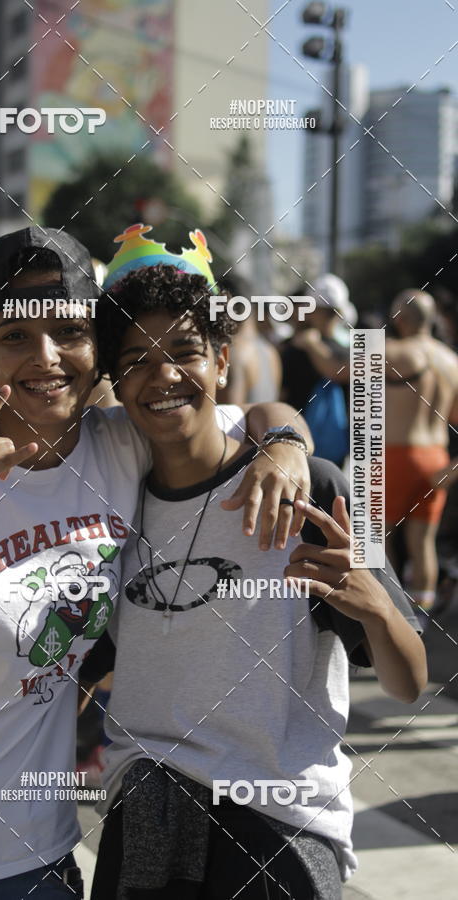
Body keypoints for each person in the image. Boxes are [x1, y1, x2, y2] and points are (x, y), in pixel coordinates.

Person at [0, 225, 314, 899]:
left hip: (40, 860)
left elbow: (250, 416)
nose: (46, 356)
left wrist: (285, 444)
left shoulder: (121, 446)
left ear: (97, 346)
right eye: (15, 336)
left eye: (69, 331)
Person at [79, 255, 427, 900]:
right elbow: (83, 665)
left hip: (280, 823)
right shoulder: (109, 505)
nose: (165, 376)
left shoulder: (312, 491)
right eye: (136, 361)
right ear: (115, 383)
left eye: (185, 350)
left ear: (221, 361)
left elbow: (409, 683)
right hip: (146, 818)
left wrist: (377, 607)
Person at [384, 290, 458, 622]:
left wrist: (312, 343)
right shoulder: (451, 361)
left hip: (398, 454)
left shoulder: (398, 352)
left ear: (400, 319)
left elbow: (337, 368)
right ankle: (420, 619)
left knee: (378, 537)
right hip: (436, 458)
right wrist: (453, 469)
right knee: (421, 541)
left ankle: (387, 615)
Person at [280, 274, 356, 468]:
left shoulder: (294, 349)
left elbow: (282, 394)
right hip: (335, 449)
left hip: (295, 442)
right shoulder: (350, 351)